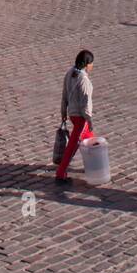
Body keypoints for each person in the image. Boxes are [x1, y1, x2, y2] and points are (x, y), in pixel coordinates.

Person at [55, 50, 94, 183]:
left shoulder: (70, 72)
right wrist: (89, 119)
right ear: (87, 64)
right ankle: (61, 172)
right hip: (81, 117)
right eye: (91, 64)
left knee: (91, 141)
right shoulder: (84, 80)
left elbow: (64, 94)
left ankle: (94, 166)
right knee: (72, 146)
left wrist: (63, 113)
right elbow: (85, 102)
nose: (92, 66)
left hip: (72, 113)